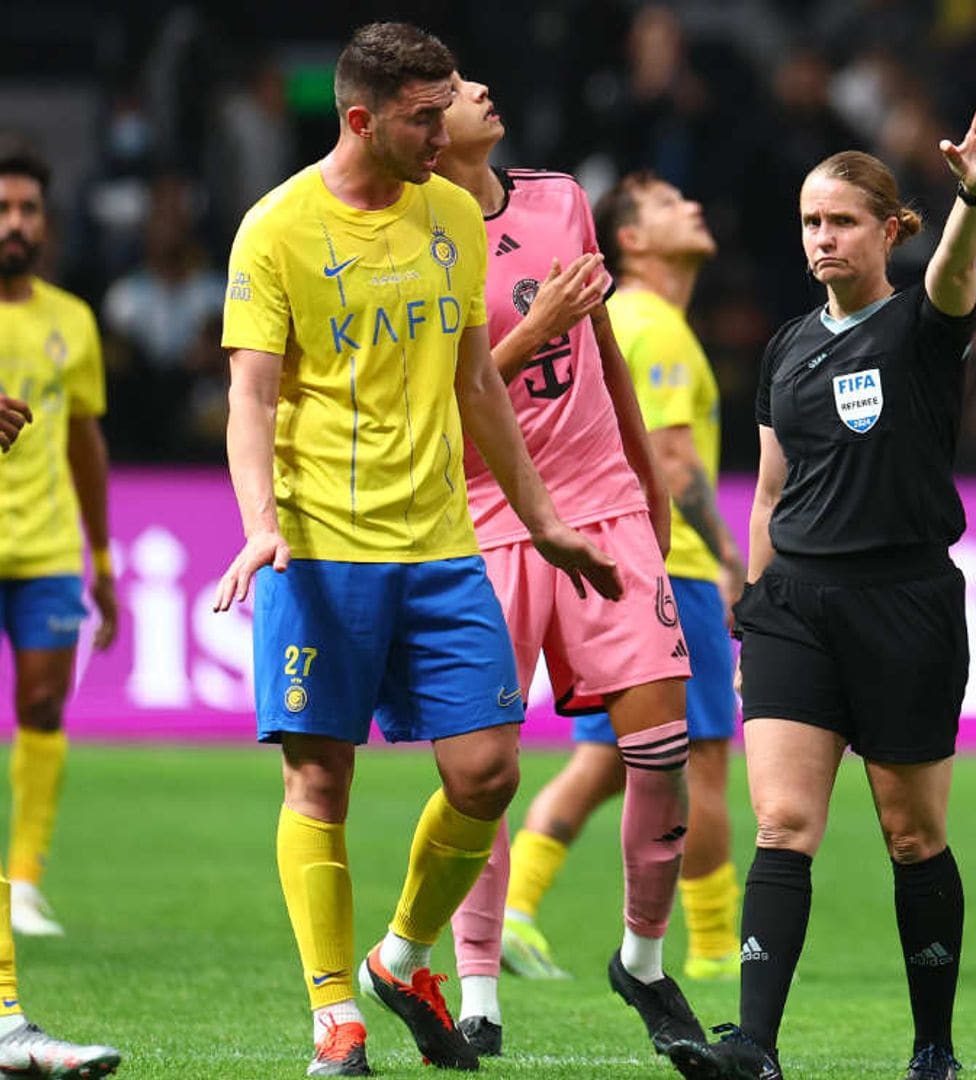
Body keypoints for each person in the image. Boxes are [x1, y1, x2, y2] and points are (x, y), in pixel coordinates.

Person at [214, 25, 623, 1078]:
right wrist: (261, 522)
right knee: (321, 785)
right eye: (424, 117)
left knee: (487, 772)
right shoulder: (277, 229)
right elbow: (251, 394)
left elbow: (477, 376)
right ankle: (333, 1019)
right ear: (361, 119)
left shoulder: (449, 214)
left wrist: (540, 518)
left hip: (442, 542)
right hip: (320, 547)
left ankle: (400, 957)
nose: (446, 134)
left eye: (448, 110)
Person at [669, 97, 976, 1080]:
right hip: (795, 610)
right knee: (783, 824)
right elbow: (771, 491)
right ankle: (754, 1047)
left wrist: (971, 197)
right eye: (811, 221)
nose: (822, 237)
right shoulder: (785, 349)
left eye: (843, 220)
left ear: (890, 228)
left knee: (912, 835)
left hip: (903, 602)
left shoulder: (921, 326)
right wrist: (754, 608)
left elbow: (955, 270)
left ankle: (933, 1047)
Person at [435, 74, 707, 1062]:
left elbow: (604, 353)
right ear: (427, 126)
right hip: (482, 521)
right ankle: (476, 995)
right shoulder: (417, 237)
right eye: (459, 89)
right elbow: (439, 399)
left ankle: (641, 957)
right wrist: (533, 325)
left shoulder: (559, 200)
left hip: (601, 504)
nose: (483, 91)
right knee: (481, 775)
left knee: (664, 746)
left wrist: (646, 474)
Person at [496, 170, 746, 987]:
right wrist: (732, 561)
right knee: (699, 761)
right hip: (666, 565)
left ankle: (518, 912)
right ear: (629, 240)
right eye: (673, 203)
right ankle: (714, 951)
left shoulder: (619, 318)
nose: (696, 204)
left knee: (608, 765)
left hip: (592, 546)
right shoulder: (658, 327)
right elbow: (672, 458)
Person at [0, 145, 121, 1075]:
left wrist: (105, 557)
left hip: (44, 551)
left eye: (30, 208)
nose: (16, 224)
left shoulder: (72, 322)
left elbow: (85, 443)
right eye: (4, 208)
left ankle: (25, 880)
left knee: (42, 709)